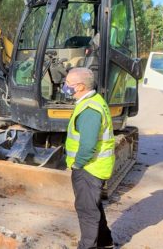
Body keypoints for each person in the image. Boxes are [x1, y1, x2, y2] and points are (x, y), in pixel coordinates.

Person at [63, 67, 115, 249]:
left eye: (68, 83)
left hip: (89, 168)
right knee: (94, 205)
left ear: (79, 86)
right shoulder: (94, 101)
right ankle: (105, 241)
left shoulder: (89, 110)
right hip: (94, 167)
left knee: (87, 211)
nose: (64, 86)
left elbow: (88, 145)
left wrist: (78, 164)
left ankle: (87, 246)